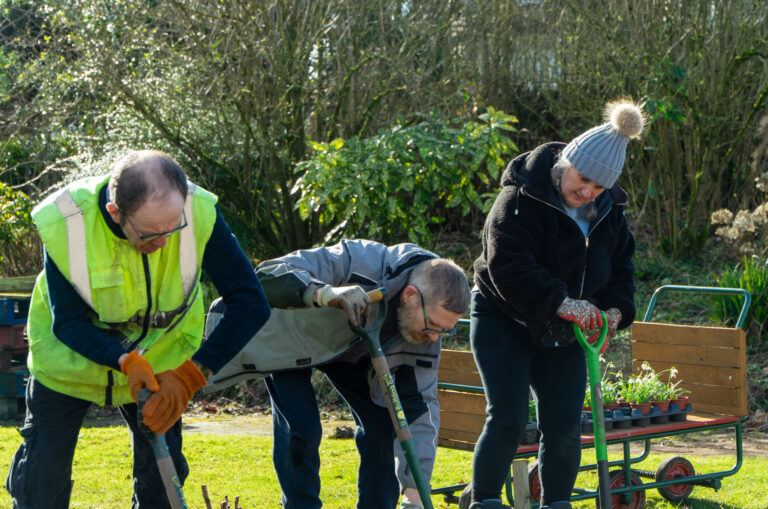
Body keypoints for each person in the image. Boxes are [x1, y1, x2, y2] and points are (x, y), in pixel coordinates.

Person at [6, 149, 271, 508]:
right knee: (40, 486)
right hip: (68, 364)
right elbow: (68, 323)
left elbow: (251, 303)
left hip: (162, 362)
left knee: (161, 487)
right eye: (149, 234)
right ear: (116, 213)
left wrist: (193, 374)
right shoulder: (66, 222)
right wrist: (124, 360)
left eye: (173, 228)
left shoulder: (198, 212)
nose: (164, 242)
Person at [461, 100, 644, 509]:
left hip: (566, 329)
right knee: (507, 419)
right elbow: (507, 265)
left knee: (562, 426)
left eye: (598, 187)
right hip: (503, 317)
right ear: (565, 163)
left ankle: (557, 503)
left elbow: (622, 269)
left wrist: (616, 312)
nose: (587, 192)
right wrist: (561, 302)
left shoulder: (609, 213)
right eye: (583, 180)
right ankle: (485, 502)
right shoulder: (519, 198)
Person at [205, 239, 471, 509]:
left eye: (444, 330)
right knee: (302, 428)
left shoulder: (426, 334)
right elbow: (270, 274)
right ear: (410, 295)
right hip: (293, 339)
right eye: (433, 325)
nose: (434, 336)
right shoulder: (359, 261)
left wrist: (415, 493)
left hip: (352, 351)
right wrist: (324, 293)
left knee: (381, 428)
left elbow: (420, 410)